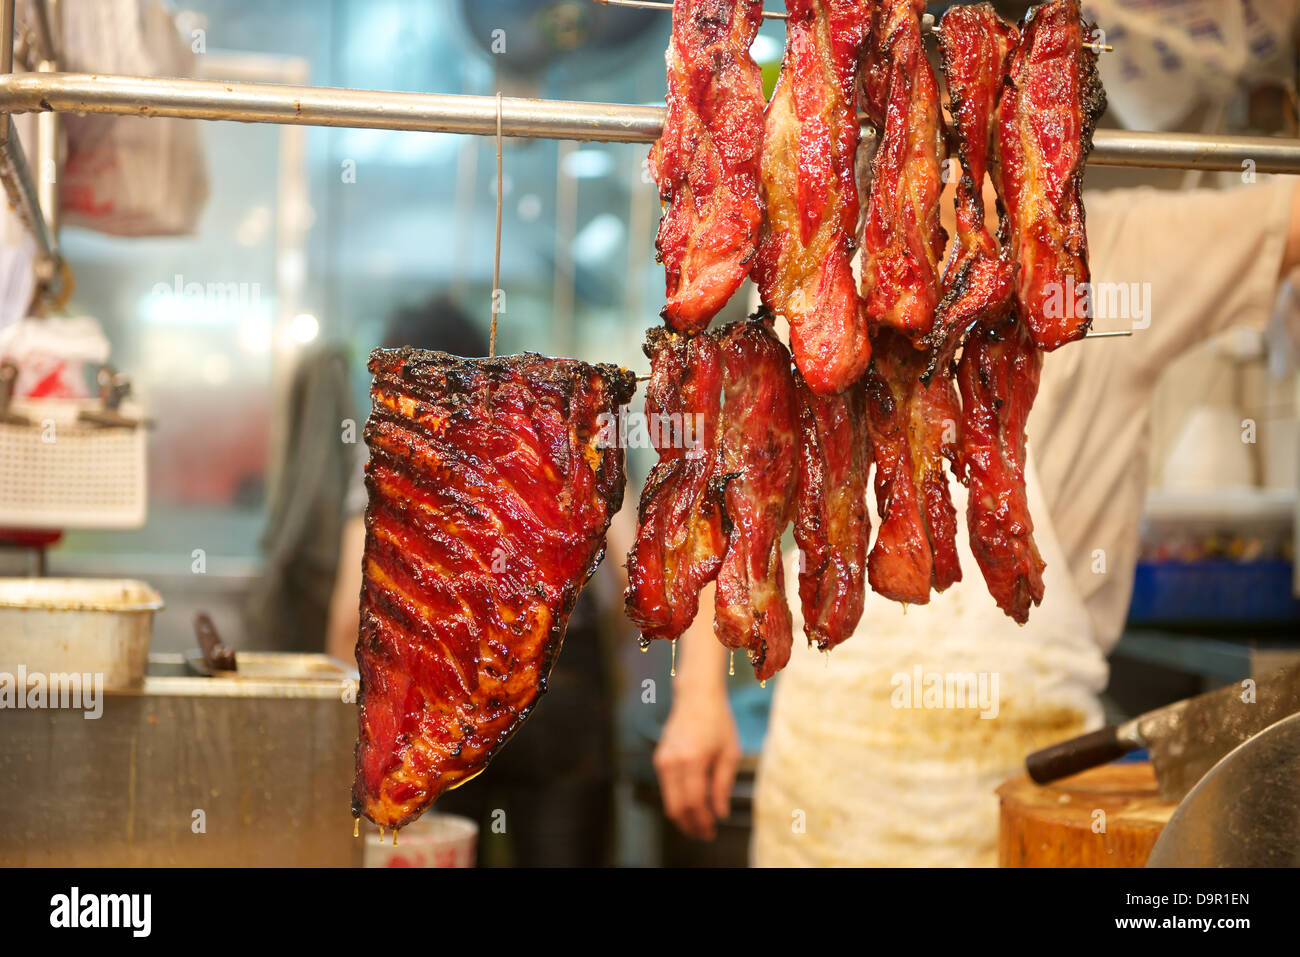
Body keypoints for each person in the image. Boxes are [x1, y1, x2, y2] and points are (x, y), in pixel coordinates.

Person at [653, 174, 1300, 865]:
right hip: (831, 784)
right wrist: (697, 695)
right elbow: (725, 492)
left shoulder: (1115, 257)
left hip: (1038, 794)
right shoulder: (822, 257)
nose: (964, 175)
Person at [326, 294, 619, 867]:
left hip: (439, 712)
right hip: (561, 699)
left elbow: (345, 622)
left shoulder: (406, 448)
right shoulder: (550, 440)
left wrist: (368, 736)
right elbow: (619, 560)